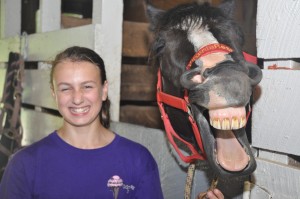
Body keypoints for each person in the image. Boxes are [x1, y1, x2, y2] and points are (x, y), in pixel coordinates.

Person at [0, 46, 224, 199]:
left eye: (87, 86)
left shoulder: (137, 159)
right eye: (66, 88)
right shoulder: (24, 165)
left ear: (104, 90)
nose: (77, 98)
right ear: (54, 94)